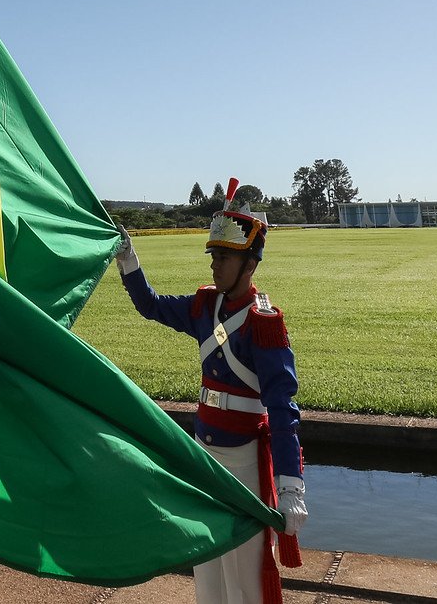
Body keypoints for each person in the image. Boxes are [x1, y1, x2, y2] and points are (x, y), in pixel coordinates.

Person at [117, 179, 307, 604]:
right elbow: (150, 305)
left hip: (244, 462)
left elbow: (281, 409)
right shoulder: (204, 307)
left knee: (244, 571)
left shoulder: (264, 323)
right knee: (205, 563)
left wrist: (291, 487)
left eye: (224, 256)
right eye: (214, 255)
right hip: (203, 452)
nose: (214, 265)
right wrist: (129, 260)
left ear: (250, 264)